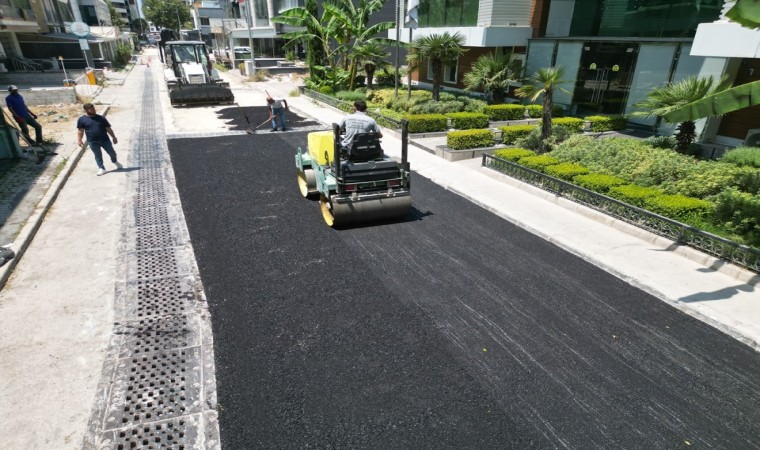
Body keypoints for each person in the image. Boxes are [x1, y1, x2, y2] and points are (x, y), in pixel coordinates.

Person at [76, 103, 122, 176]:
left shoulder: (101, 118)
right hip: (92, 141)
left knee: (112, 153)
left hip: (105, 140)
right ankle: (101, 168)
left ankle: (114, 161)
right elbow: (80, 130)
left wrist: (114, 137)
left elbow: (108, 128)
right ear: (86, 110)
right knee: (97, 155)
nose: (94, 110)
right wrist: (79, 140)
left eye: (94, 109)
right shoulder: (82, 119)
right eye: (91, 109)